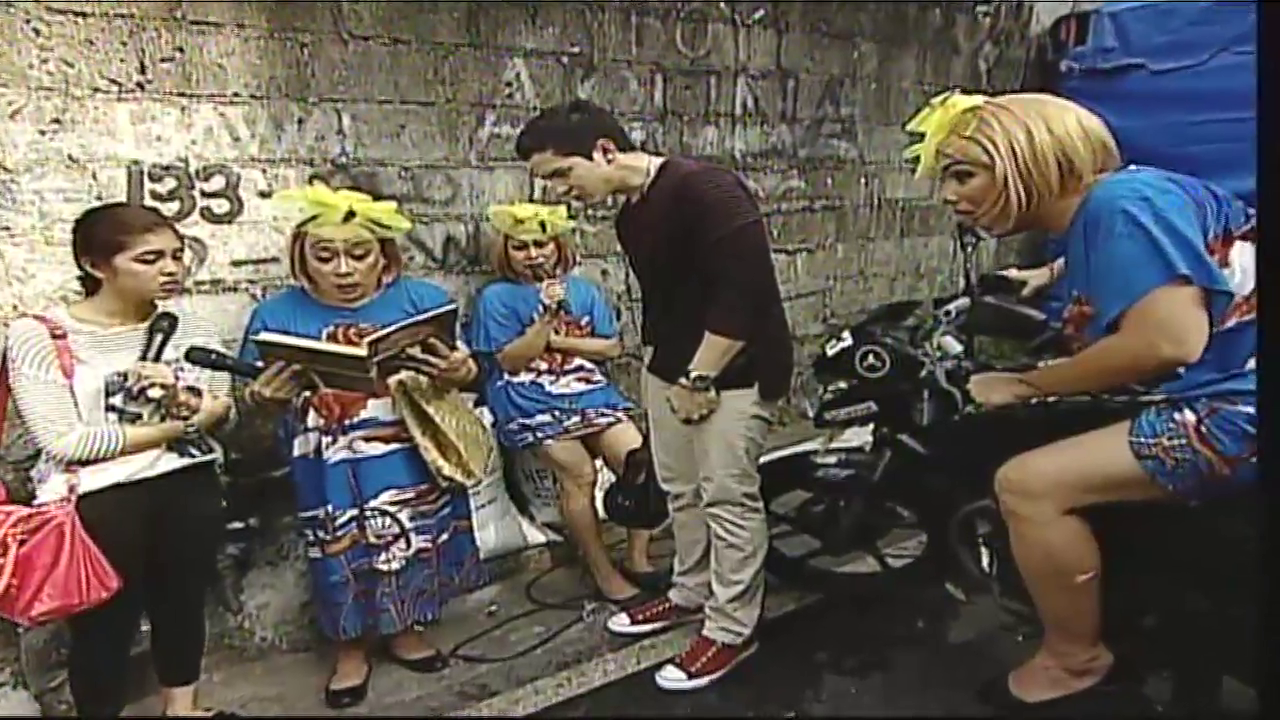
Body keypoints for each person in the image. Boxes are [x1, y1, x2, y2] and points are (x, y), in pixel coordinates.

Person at [902, 89, 1256, 709]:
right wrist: (1048, 274)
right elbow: (1157, 250)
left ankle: (1074, 659)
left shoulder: (1121, 207)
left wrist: (1024, 384)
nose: (949, 197)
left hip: (1240, 409)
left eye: (963, 175)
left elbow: (1168, 341)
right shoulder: (1125, 199)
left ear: (1030, 161)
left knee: (1028, 485)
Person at [513, 100, 794, 691]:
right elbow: (666, 300)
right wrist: (661, 373)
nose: (560, 192)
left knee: (727, 497)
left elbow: (744, 296)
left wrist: (700, 378)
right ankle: (691, 592)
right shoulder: (631, 216)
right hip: (671, 369)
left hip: (735, 370)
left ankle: (732, 627)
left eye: (561, 174)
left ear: (604, 151)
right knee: (681, 492)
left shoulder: (707, 190)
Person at [236, 182, 488, 710]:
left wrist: (463, 371)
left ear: (385, 256)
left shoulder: (421, 302)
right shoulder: (276, 315)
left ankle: (406, 629)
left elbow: (466, 376)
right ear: (302, 259)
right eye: (326, 256)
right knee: (338, 550)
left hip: (411, 450)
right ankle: (350, 650)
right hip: (327, 465)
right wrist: (261, 400)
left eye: (359, 254)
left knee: (414, 538)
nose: (344, 270)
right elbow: (252, 415)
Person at [2, 202, 237, 718]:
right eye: (149, 259)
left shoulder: (190, 326)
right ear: (95, 265)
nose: (171, 269)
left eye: (177, 255)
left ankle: (183, 709)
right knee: (104, 624)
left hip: (188, 483)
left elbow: (221, 409)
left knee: (183, 603)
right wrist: (177, 428)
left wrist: (182, 399)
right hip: (100, 500)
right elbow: (65, 440)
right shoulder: (40, 334)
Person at [468, 201, 660, 604]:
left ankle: (638, 558)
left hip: (586, 391)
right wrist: (544, 318)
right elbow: (510, 360)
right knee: (579, 473)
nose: (532, 255)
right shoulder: (495, 298)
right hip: (528, 398)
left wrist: (555, 340)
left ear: (558, 246)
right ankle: (602, 571)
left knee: (638, 461)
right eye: (520, 247)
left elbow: (609, 347)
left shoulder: (583, 290)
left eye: (541, 244)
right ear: (505, 252)